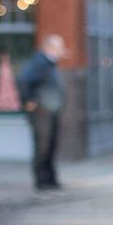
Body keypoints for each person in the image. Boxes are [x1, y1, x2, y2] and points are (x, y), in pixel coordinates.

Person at [17, 34, 67, 191]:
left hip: (50, 112)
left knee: (51, 146)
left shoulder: (50, 64)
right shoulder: (39, 62)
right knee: (43, 146)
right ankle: (42, 181)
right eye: (59, 47)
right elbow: (23, 79)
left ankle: (50, 179)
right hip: (41, 113)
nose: (62, 50)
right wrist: (29, 100)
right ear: (50, 48)